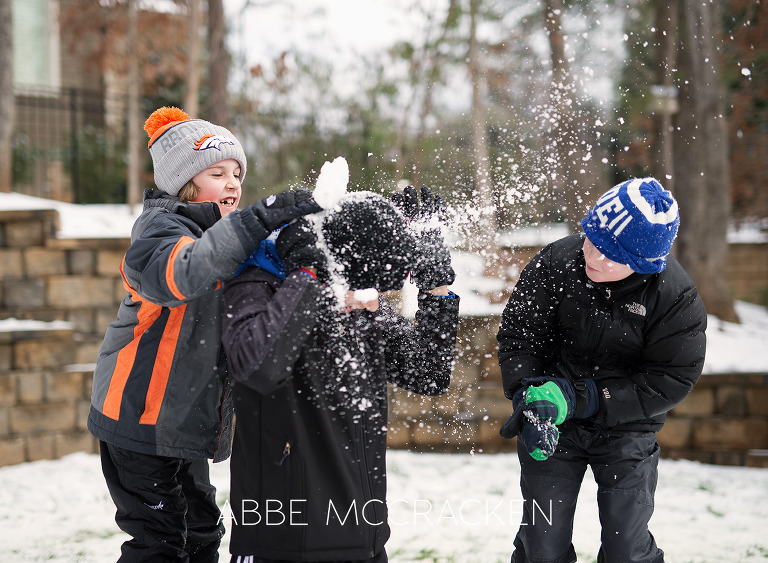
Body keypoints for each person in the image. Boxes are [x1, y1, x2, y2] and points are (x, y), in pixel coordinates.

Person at [88, 106, 321, 562]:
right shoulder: (157, 234)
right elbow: (187, 271)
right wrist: (256, 221)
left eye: (237, 172)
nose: (233, 182)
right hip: (138, 419)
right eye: (218, 172)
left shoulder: (230, 237)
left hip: (185, 423)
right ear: (184, 183)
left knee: (201, 535)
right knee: (159, 542)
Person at [220, 186, 460, 562]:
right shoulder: (259, 284)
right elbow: (260, 367)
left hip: (363, 538)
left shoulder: (351, 299)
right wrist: (305, 273)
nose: (368, 295)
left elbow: (427, 372)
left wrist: (435, 288)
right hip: (284, 543)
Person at [497, 177, 707, 563]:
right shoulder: (555, 263)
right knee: (542, 546)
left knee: (625, 548)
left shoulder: (673, 296)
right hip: (552, 422)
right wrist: (530, 394)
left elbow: (672, 378)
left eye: (611, 256)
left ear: (641, 263)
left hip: (627, 428)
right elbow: (519, 338)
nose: (593, 258)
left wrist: (584, 397)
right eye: (592, 241)